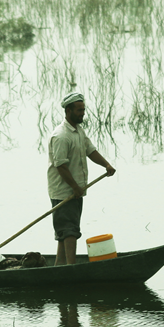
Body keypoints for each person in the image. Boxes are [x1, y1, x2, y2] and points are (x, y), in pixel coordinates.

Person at [47, 92, 116, 265]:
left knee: (65, 230)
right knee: (69, 231)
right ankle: (71, 267)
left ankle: (59, 266)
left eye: (83, 109)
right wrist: (75, 186)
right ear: (68, 111)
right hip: (64, 191)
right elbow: (60, 165)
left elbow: (90, 150)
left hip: (76, 190)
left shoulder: (78, 131)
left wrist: (106, 165)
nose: (82, 113)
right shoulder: (61, 136)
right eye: (79, 110)